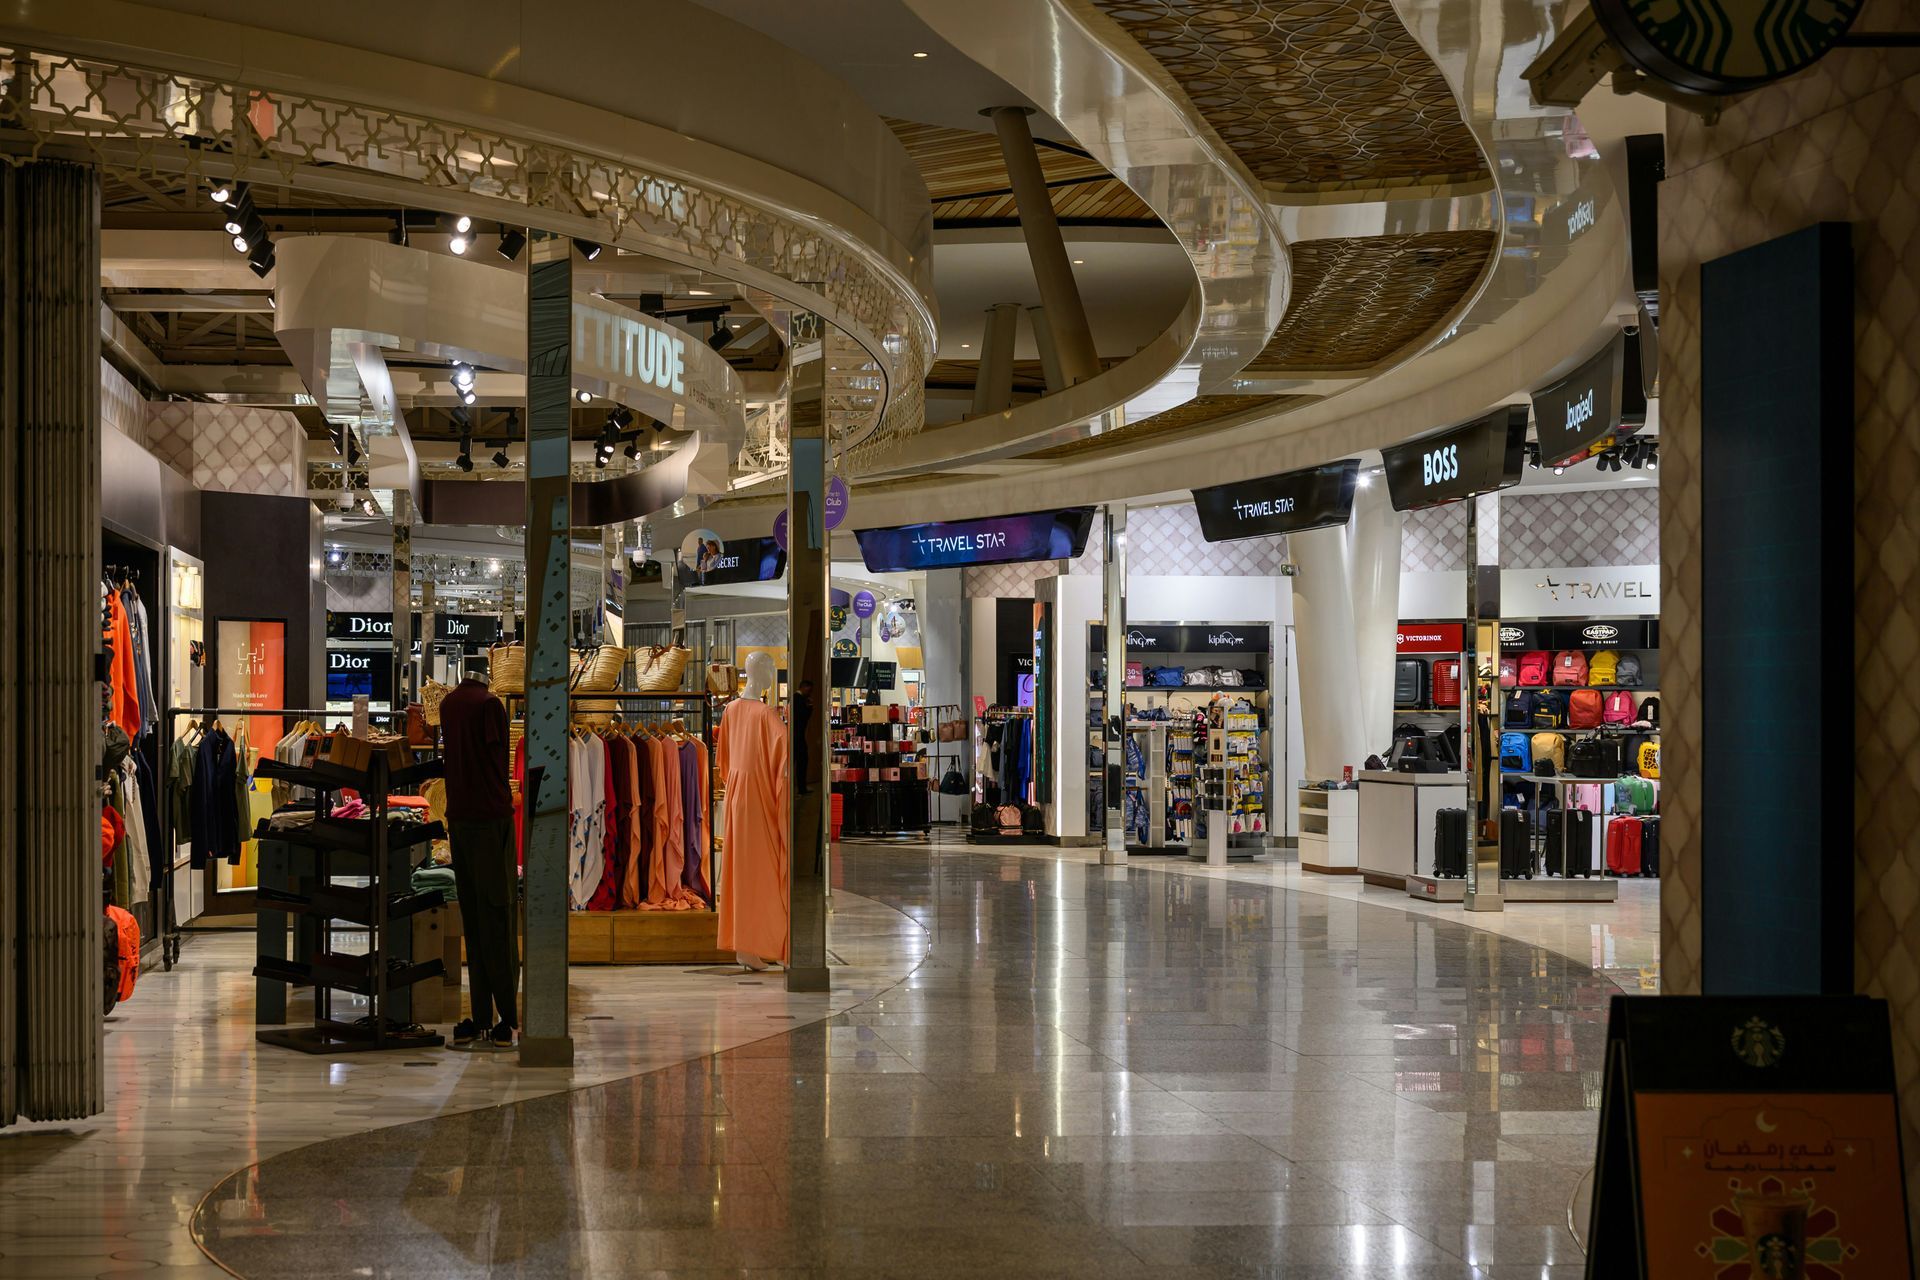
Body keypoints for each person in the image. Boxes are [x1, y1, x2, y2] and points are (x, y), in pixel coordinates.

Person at [436, 674, 519, 1049]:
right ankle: (507, 1018)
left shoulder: (448, 705)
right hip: (490, 820)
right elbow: (497, 760)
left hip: (460, 819)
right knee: (498, 916)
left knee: (473, 916)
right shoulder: (491, 706)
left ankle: (483, 1015)